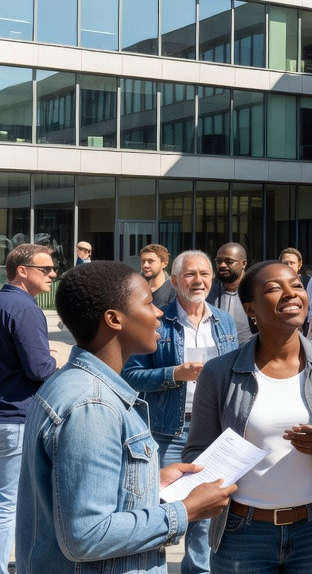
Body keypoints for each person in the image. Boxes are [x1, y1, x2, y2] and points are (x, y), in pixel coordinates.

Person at [17, 261, 234, 573]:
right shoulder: (92, 405)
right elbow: (87, 535)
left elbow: (74, 498)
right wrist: (185, 510)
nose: (159, 312)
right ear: (114, 319)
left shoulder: (76, 385)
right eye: (148, 303)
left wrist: (149, 484)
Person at [187, 260, 312, 574]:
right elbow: (196, 453)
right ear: (250, 308)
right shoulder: (219, 373)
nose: (290, 294)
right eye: (273, 288)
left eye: (296, 285)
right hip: (242, 534)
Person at [121, 250, 239, 574]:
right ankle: (146, 568)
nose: (198, 280)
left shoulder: (224, 320)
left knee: (203, 512)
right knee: (155, 506)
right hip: (168, 431)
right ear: (174, 281)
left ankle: (197, 571)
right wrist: (175, 374)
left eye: (204, 274)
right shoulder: (157, 319)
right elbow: (130, 374)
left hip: (212, 430)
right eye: (190, 274)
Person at [0, 244, 59, 568]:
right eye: (45, 269)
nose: (53, 274)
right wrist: (53, 360)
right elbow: (39, 369)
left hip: (8, 417)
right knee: (11, 504)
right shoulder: (23, 309)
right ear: (22, 270)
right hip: (15, 418)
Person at [212, 242, 253, 343]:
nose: (222, 265)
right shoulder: (208, 291)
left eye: (229, 261)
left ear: (244, 263)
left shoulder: (255, 290)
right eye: (218, 261)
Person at [141, 243, 178, 309]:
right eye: (143, 261)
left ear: (164, 263)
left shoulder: (174, 289)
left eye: (150, 261)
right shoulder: (136, 285)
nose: (145, 265)